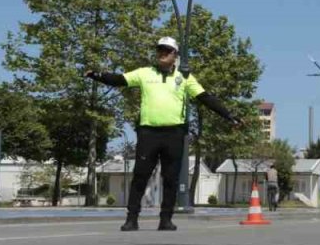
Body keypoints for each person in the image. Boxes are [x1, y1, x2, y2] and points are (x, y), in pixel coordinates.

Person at [86, 36, 240, 231]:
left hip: (175, 133)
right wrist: (96, 75)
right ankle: (131, 219)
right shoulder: (144, 73)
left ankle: (166, 219)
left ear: (175, 55)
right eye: (160, 50)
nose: (162, 54)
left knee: (171, 177)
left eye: (167, 51)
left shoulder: (185, 77)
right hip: (148, 132)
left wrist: (229, 116)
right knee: (140, 175)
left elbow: (205, 98)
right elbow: (119, 79)